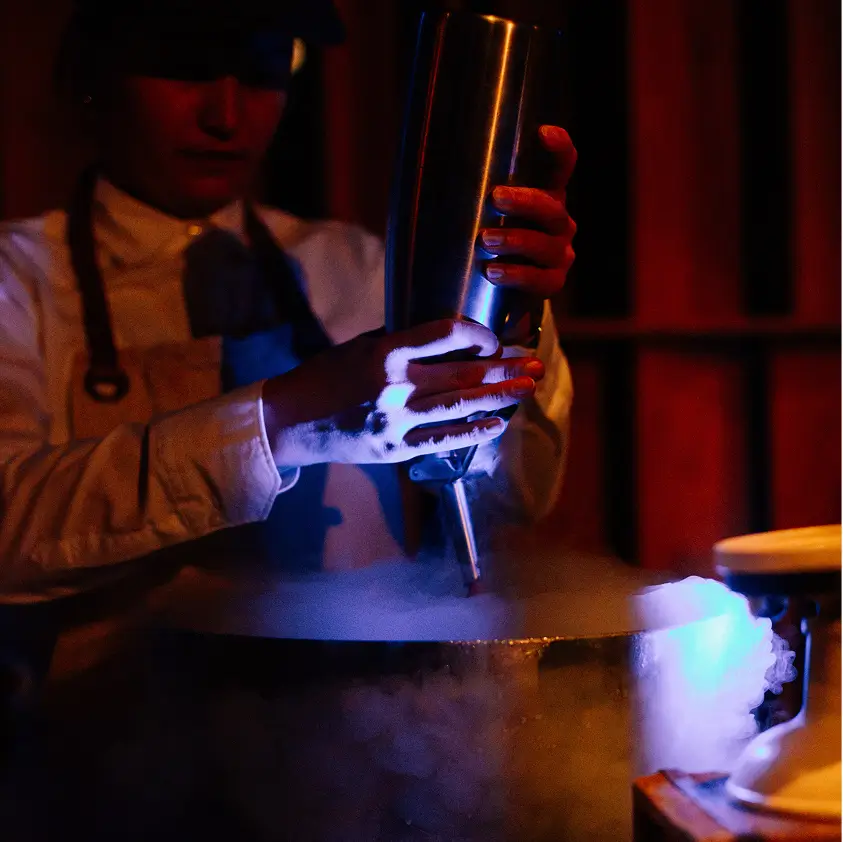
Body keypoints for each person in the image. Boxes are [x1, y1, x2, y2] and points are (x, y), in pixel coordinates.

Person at [0, 0, 576, 836]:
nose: (226, 112)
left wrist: (514, 314)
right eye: (186, 65)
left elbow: (516, 494)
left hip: (360, 775)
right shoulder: (18, 281)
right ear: (94, 73)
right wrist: (286, 419)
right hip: (101, 790)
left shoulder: (354, 264)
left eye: (264, 69)